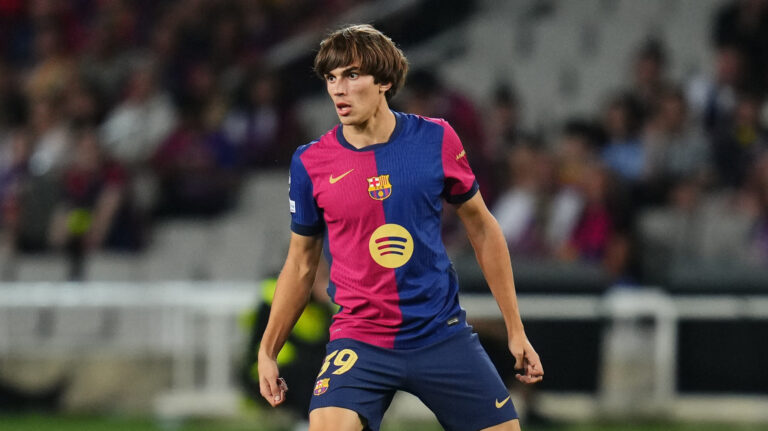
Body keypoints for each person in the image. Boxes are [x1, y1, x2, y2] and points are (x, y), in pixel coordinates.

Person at [257, 24, 543, 431]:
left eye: (352, 75)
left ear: (385, 82)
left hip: (439, 334)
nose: (338, 89)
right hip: (360, 338)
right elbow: (302, 264)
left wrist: (516, 330)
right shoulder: (310, 162)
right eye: (331, 78)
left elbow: (483, 229)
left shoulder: (436, 139)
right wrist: (268, 350)